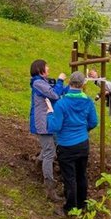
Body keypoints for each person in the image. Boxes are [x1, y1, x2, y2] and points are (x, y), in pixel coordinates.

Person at [46, 71, 99, 215]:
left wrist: (50, 114)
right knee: (81, 175)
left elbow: (55, 127)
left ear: (69, 83)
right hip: (83, 144)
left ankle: (70, 208)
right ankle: (82, 204)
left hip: (66, 146)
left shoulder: (62, 103)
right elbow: (94, 122)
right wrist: (83, 130)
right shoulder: (88, 101)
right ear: (83, 84)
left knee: (69, 177)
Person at [28, 59, 66, 202]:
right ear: (40, 69)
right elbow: (55, 94)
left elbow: (56, 91)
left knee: (52, 145)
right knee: (50, 151)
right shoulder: (38, 83)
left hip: (47, 121)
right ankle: (49, 188)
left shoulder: (42, 82)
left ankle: (39, 163)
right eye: (46, 66)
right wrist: (61, 80)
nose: (48, 68)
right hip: (42, 123)